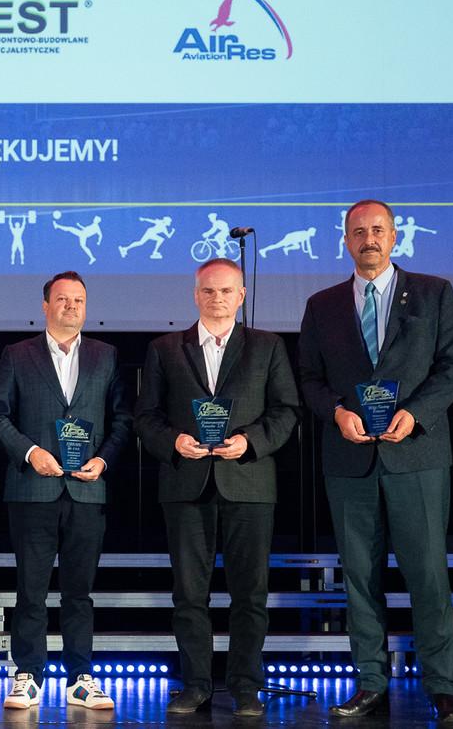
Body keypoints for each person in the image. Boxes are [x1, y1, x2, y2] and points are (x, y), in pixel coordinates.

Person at [298, 200, 453, 726]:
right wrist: (336, 411)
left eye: (377, 230)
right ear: (345, 241)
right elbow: (308, 378)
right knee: (359, 578)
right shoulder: (322, 305)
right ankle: (371, 683)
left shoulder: (434, 292)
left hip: (416, 454)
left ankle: (441, 688)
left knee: (428, 576)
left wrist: (415, 414)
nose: (368, 239)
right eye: (358, 232)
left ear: (394, 236)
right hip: (349, 458)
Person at [134, 259, 298, 717]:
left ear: (241, 296)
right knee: (189, 595)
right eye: (208, 291)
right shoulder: (165, 348)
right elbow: (145, 416)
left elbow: (287, 410)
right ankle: (196, 685)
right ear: (195, 295)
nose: (217, 298)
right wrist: (174, 441)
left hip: (249, 481)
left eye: (226, 291)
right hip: (185, 484)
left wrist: (250, 442)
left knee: (251, 594)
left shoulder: (267, 346)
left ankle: (246, 686)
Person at [0, 271, 131, 711]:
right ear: (45, 306)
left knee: (79, 592)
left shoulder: (107, 355)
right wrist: (30, 453)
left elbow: (123, 420)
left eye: (78, 300)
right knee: (30, 590)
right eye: (62, 299)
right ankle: (28, 676)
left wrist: (102, 460)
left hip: (88, 490)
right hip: (33, 488)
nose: (71, 306)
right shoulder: (16, 354)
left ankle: (80, 678)